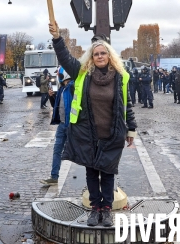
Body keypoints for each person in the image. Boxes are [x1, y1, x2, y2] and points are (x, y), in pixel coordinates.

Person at [49, 20, 137, 227]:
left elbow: (128, 105)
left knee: (107, 172)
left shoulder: (120, 78)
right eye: (96, 53)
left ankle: (106, 209)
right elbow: (64, 57)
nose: (99, 56)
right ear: (91, 56)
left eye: (103, 53)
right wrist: (57, 37)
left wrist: (131, 129)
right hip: (87, 133)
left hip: (112, 132)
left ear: (109, 56)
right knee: (91, 172)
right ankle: (95, 208)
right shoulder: (82, 74)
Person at [40, 66, 74, 186]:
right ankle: (54, 177)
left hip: (72, 126)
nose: (57, 78)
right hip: (62, 125)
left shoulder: (72, 87)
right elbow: (57, 107)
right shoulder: (62, 88)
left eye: (58, 75)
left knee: (81, 153)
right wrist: (52, 96)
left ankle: (96, 178)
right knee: (57, 150)